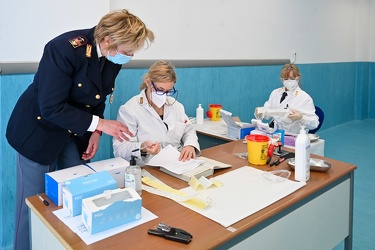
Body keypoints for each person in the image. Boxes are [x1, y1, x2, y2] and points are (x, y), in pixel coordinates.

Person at [6, 9, 154, 250]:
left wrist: (95, 132)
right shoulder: (63, 49)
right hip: (37, 130)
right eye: (127, 52)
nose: (130, 56)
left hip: (73, 132)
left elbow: (97, 98)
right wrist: (102, 125)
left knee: (77, 192)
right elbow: (51, 107)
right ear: (108, 40)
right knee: (32, 205)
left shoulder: (110, 56)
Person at [113, 60, 200, 165]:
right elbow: (119, 149)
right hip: (149, 168)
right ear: (148, 82)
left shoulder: (176, 106)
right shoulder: (129, 110)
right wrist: (142, 147)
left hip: (178, 164)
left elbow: (188, 130)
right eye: (160, 90)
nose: (164, 95)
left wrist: (190, 145)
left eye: (168, 91)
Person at [255, 63, 319, 134]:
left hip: (292, 136)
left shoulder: (305, 98)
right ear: (282, 80)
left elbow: (315, 123)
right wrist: (261, 112)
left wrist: (301, 117)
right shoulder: (275, 93)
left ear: (298, 78)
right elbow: (268, 111)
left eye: (292, 78)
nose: (289, 81)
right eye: (286, 79)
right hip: (274, 133)